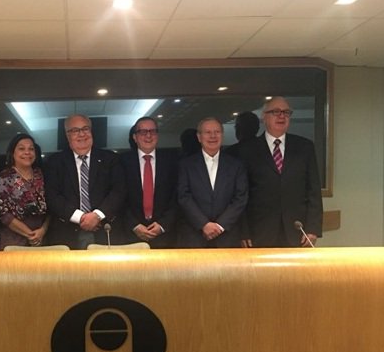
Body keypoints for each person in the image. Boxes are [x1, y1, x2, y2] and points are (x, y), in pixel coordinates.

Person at [237, 96, 323, 247]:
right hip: (259, 231)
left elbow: (313, 191)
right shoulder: (247, 150)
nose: (281, 116)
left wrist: (313, 228)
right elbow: (241, 194)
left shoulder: (304, 147)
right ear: (264, 117)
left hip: (297, 230)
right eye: (276, 112)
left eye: (286, 112)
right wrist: (244, 231)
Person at [44, 114, 126, 249]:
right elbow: (52, 195)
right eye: (75, 130)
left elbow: (118, 191)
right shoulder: (55, 162)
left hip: (106, 230)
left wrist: (97, 216)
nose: (82, 134)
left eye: (85, 129)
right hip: (66, 233)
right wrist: (81, 217)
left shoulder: (110, 159)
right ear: (67, 135)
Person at [178, 117, 248, 248]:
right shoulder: (186, 165)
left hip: (227, 237)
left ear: (222, 135)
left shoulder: (236, 165)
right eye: (208, 132)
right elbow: (184, 197)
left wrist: (220, 226)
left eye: (217, 132)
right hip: (195, 237)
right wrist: (204, 224)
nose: (213, 136)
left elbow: (240, 198)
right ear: (199, 137)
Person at [120, 116, 178, 248]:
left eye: (152, 131)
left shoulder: (172, 161)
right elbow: (119, 197)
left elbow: (177, 197)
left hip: (165, 234)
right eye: (143, 132)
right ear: (135, 137)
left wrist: (162, 225)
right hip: (130, 234)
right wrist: (134, 225)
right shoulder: (122, 162)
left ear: (157, 135)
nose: (148, 135)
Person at [0, 133, 49, 249]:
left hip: (42, 237)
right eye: (21, 149)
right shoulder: (4, 178)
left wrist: (43, 230)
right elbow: (4, 214)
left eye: (31, 149)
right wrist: (30, 235)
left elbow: (52, 207)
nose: (27, 152)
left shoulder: (41, 175)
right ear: (12, 153)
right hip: (14, 239)